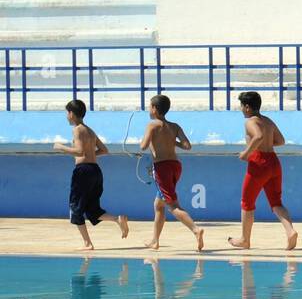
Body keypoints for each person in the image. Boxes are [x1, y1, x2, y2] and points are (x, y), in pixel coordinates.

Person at [54, 99, 129, 250]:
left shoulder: (77, 130)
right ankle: (117, 219)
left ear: (72, 114)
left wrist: (61, 147)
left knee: (76, 207)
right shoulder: (90, 130)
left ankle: (88, 243)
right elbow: (104, 150)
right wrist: (89, 156)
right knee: (92, 209)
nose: (66, 116)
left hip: (83, 172)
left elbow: (80, 151)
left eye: (67, 113)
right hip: (95, 170)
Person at [228, 90, 297, 250]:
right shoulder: (268, 121)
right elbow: (281, 140)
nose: (240, 109)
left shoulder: (250, 122)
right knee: (276, 202)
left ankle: (245, 239)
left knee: (247, 202)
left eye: (241, 106)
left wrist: (246, 152)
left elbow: (258, 136)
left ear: (247, 107)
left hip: (259, 162)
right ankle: (290, 231)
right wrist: (267, 143)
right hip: (274, 161)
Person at [140, 94, 204, 251]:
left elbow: (143, 145)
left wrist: (151, 142)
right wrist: (171, 141)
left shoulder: (152, 125)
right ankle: (155, 240)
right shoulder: (175, 126)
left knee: (172, 205)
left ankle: (195, 229)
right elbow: (187, 146)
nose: (149, 109)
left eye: (150, 106)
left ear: (155, 109)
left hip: (162, 168)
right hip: (175, 166)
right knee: (159, 204)